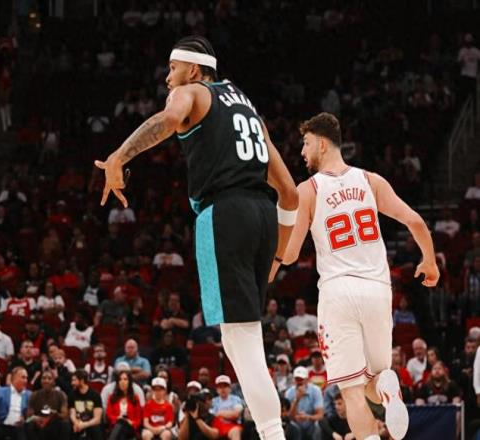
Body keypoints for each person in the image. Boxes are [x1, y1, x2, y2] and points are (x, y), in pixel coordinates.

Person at [95, 35, 298, 440]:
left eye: (172, 68)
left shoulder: (192, 91)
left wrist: (119, 156)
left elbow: (168, 120)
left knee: (242, 342)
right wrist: (279, 256)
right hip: (264, 216)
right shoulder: (248, 108)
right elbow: (290, 194)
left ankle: (274, 434)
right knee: (242, 340)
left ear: (192, 68)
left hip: (225, 213)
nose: (168, 78)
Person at [278, 112, 439, 440]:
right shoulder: (371, 181)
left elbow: (290, 255)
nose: (302, 151)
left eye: (306, 143)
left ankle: (378, 402)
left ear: (323, 144)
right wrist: (430, 262)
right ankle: (384, 387)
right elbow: (415, 221)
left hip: (338, 292)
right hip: (377, 289)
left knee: (351, 390)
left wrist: (268, 243)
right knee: (373, 380)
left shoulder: (308, 190)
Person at [0, 367, 31, 440]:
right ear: (14, 378)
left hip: (19, 429)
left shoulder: (29, 395)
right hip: (1, 426)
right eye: (23, 377)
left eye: (26, 378)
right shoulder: (0, 392)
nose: (26, 380)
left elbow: (31, 416)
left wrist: (25, 420)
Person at [26, 369, 70, 439]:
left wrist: (55, 414)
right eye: (44, 378)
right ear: (41, 381)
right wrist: (38, 419)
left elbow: (64, 415)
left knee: (65, 424)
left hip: (54, 423)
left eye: (49, 378)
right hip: (38, 423)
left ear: (54, 382)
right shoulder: (34, 395)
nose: (46, 381)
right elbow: (29, 416)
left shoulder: (61, 395)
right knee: (30, 424)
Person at [284, 367, 323, 440]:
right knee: (291, 426)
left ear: (307, 380)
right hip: (295, 424)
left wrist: (308, 417)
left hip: (311, 423)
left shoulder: (316, 390)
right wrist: (297, 399)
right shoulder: (289, 393)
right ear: (294, 380)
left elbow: (320, 415)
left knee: (318, 425)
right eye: (297, 379)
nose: (299, 382)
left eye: (301, 379)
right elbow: (288, 417)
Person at [106, 371, 142, 440]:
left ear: (129, 382)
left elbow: (138, 419)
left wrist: (131, 422)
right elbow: (109, 414)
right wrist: (117, 418)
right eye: (120, 379)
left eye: (125, 379)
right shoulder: (112, 397)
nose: (122, 382)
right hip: (116, 425)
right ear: (117, 382)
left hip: (131, 427)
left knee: (123, 424)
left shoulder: (135, 398)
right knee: (121, 425)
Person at [69, 369, 103, 440]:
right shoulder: (72, 394)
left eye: (74, 380)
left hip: (91, 425)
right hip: (78, 424)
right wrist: (76, 423)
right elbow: (72, 414)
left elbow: (97, 419)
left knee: (95, 429)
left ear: (82, 381)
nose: (72, 383)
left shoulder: (95, 395)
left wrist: (84, 425)